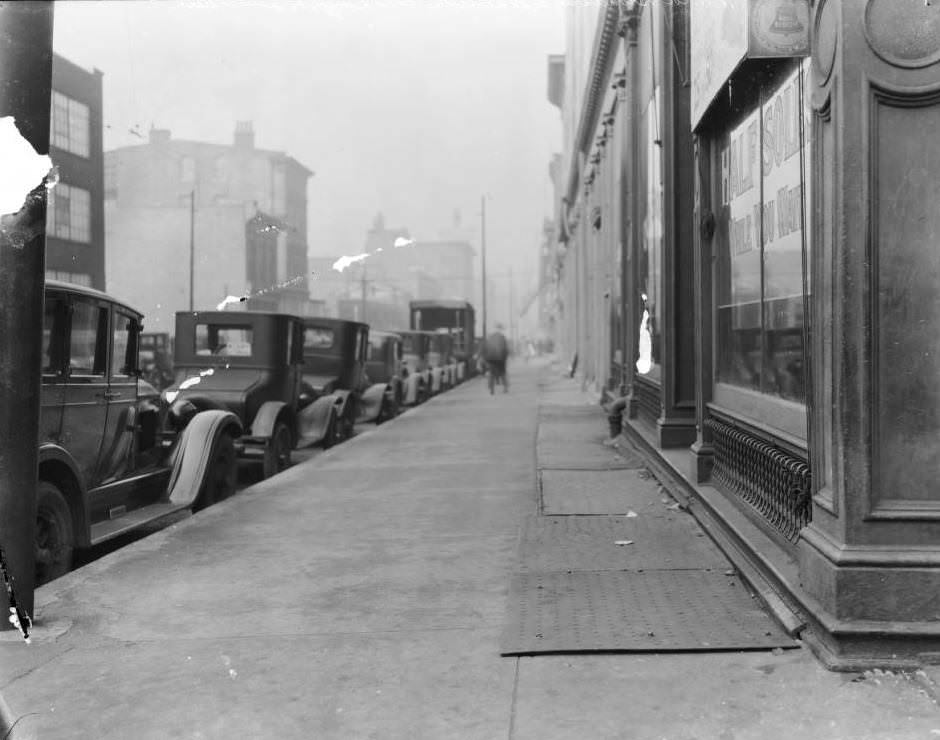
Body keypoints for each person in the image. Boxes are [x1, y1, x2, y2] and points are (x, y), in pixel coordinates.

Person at [483, 324, 509, 394]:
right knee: (503, 373)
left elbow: (486, 348)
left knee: (491, 373)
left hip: (491, 359)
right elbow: (506, 350)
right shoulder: (502, 337)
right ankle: (505, 388)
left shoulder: (490, 337)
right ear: (500, 329)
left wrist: (486, 359)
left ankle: (491, 388)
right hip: (500, 359)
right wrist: (505, 359)